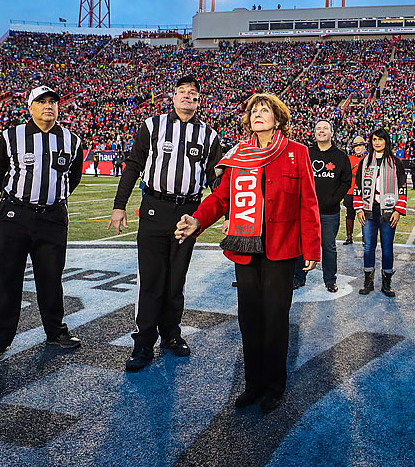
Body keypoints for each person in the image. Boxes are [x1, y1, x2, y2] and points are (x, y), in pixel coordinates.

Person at [174, 93, 321, 413]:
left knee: (275, 318)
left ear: (278, 118)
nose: (258, 114)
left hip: (281, 248)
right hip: (245, 247)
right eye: (254, 110)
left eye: (265, 110)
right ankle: (253, 383)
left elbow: (308, 203)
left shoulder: (297, 152)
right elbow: (221, 198)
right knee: (250, 318)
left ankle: (274, 385)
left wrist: (312, 248)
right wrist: (197, 220)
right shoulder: (239, 153)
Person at [108, 75, 222, 371]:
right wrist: (119, 206)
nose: (187, 96)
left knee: (176, 279)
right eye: (182, 91)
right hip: (155, 208)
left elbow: (216, 179)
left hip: (188, 213)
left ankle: (171, 334)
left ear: (199, 101)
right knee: (151, 279)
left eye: (193, 93)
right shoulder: (152, 125)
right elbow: (133, 165)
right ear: (173, 96)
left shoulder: (209, 135)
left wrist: (228, 214)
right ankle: (143, 342)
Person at [0, 85, 84, 363]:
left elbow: (73, 177)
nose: (48, 106)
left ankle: (55, 331)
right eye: (41, 101)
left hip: (53, 218)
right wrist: (19, 200)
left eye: (53, 101)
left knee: (51, 277)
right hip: (16, 216)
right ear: (30, 107)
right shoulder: (11, 136)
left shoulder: (72, 140)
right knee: (7, 278)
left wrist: (51, 199)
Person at [293, 120, 352, 292]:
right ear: (314, 133)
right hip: (306, 211)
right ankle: (298, 277)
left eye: (325, 128)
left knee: (329, 247)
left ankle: (330, 280)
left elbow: (346, 181)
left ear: (332, 133)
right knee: (302, 245)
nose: (321, 131)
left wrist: (333, 199)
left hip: (329, 212)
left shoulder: (340, 156)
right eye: (318, 128)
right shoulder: (306, 153)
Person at [353, 128, 407, 297]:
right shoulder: (365, 161)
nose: (377, 142)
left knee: (387, 248)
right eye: (374, 139)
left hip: (388, 211)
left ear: (386, 141)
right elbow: (358, 186)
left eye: (380, 139)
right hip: (368, 211)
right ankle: (368, 282)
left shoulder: (395, 162)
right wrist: (359, 209)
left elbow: (402, 187)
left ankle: (386, 283)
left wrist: (398, 210)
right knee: (368, 247)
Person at [343, 135, 366, 245]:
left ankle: (365, 237)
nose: (358, 148)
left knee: (364, 214)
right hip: (350, 190)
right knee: (350, 214)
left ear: (364, 147)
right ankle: (349, 236)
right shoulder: (349, 159)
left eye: (360, 145)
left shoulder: (368, 159)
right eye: (356, 146)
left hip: (364, 191)